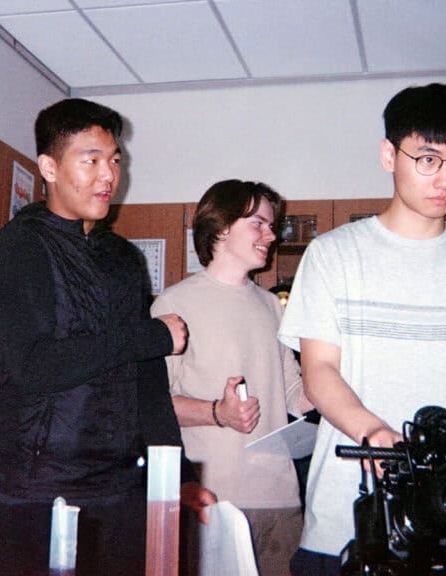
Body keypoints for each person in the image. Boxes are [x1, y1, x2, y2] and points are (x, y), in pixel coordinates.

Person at [277, 83, 446, 575]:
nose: (445, 178)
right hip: (353, 519)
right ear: (389, 155)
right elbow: (319, 371)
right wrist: (372, 432)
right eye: (427, 159)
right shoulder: (334, 254)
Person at [0, 98, 214, 576]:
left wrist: (179, 476)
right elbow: (34, 365)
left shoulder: (123, 259)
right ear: (49, 166)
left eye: (114, 160)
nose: (108, 175)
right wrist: (146, 337)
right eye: (90, 160)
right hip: (40, 490)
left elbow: (148, 381)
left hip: (120, 489)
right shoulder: (21, 246)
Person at [150, 179, 313, 575]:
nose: (271, 235)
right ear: (221, 227)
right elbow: (154, 404)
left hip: (283, 500)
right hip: (214, 501)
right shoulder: (174, 303)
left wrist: (331, 383)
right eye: (258, 224)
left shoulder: (274, 306)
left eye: (271, 226)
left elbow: (294, 393)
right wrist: (217, 413)